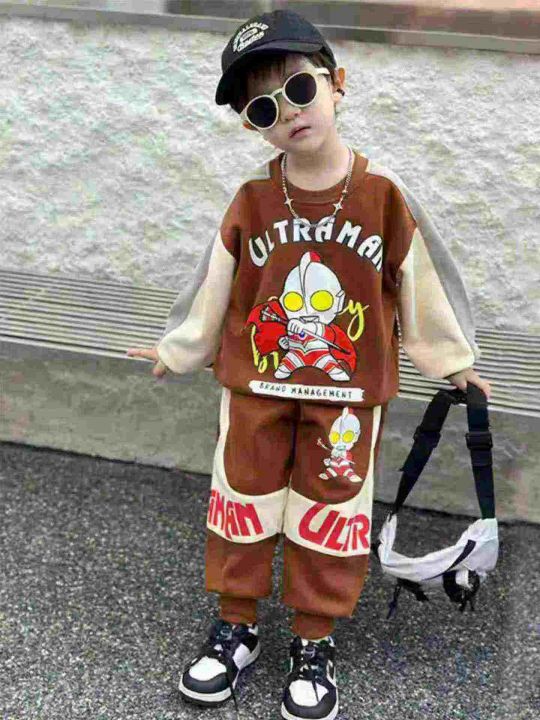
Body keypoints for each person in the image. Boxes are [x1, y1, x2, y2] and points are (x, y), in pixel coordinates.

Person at [126, 8, 492, 720]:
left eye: (298, 88)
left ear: (336, 83)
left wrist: (452, 360)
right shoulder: (253, 200)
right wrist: (182, 347)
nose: (288, 112)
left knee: (331, 514)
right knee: (241, 503)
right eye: (264, 107)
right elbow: (216, 282)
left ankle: (313, 639)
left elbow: (420, 281)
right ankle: (236, 626)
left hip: (347, 399)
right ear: (252, 126)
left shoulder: (384, 196)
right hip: (256, 390)